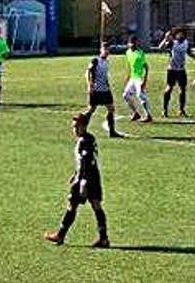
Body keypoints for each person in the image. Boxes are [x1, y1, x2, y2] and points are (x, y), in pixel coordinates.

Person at [45, 113, 110, 248]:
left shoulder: (84, 141)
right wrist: (75, 173)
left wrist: (82, 181)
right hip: (93, 177)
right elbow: (86, 161)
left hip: (86, 179)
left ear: (83, 126)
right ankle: (103, 238)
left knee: (72, 205)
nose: (74, 129)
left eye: (76, 126)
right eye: (73, 126)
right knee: (96, 206)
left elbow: (86, 161)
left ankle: (60, 235)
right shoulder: (89, 138)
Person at [158, 29, 195, 118]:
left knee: (183, 90)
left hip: (181, 70)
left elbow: (189, 53)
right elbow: (160, 48)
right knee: (169, 88)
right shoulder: (172, 43)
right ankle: (165, 110)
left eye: (182, 34)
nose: (180, 36)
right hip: (172, 70)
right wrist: (165, 38)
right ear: (176, 35)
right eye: (178, 34)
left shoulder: (186, 43)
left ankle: (181, 110)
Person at [84, 42, 123, 138]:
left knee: (111, 109)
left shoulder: (107, 62)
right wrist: (90, 85)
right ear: (101, 50)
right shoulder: (95, 60)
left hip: (105, 90)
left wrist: (107, 84)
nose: (106, 52)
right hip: (96, 90)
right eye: (105, 49)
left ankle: (112, 131)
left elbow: (105, 76)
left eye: (108, 50)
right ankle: (82, 126)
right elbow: (88, 72)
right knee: (91, 110)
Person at [123, 36, 153, 122]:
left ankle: (148, 115)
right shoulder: (128, 52)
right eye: (131, 43)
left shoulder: (140, 53)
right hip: (132, 78)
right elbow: (130, 66)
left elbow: (146, 67)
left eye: (134, 42)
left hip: (139, 78)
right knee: (126, 95)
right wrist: (127, 78)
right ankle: (135, 113)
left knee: (141, 96)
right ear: (128, 44)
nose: (133, 44)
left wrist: (144, 80)